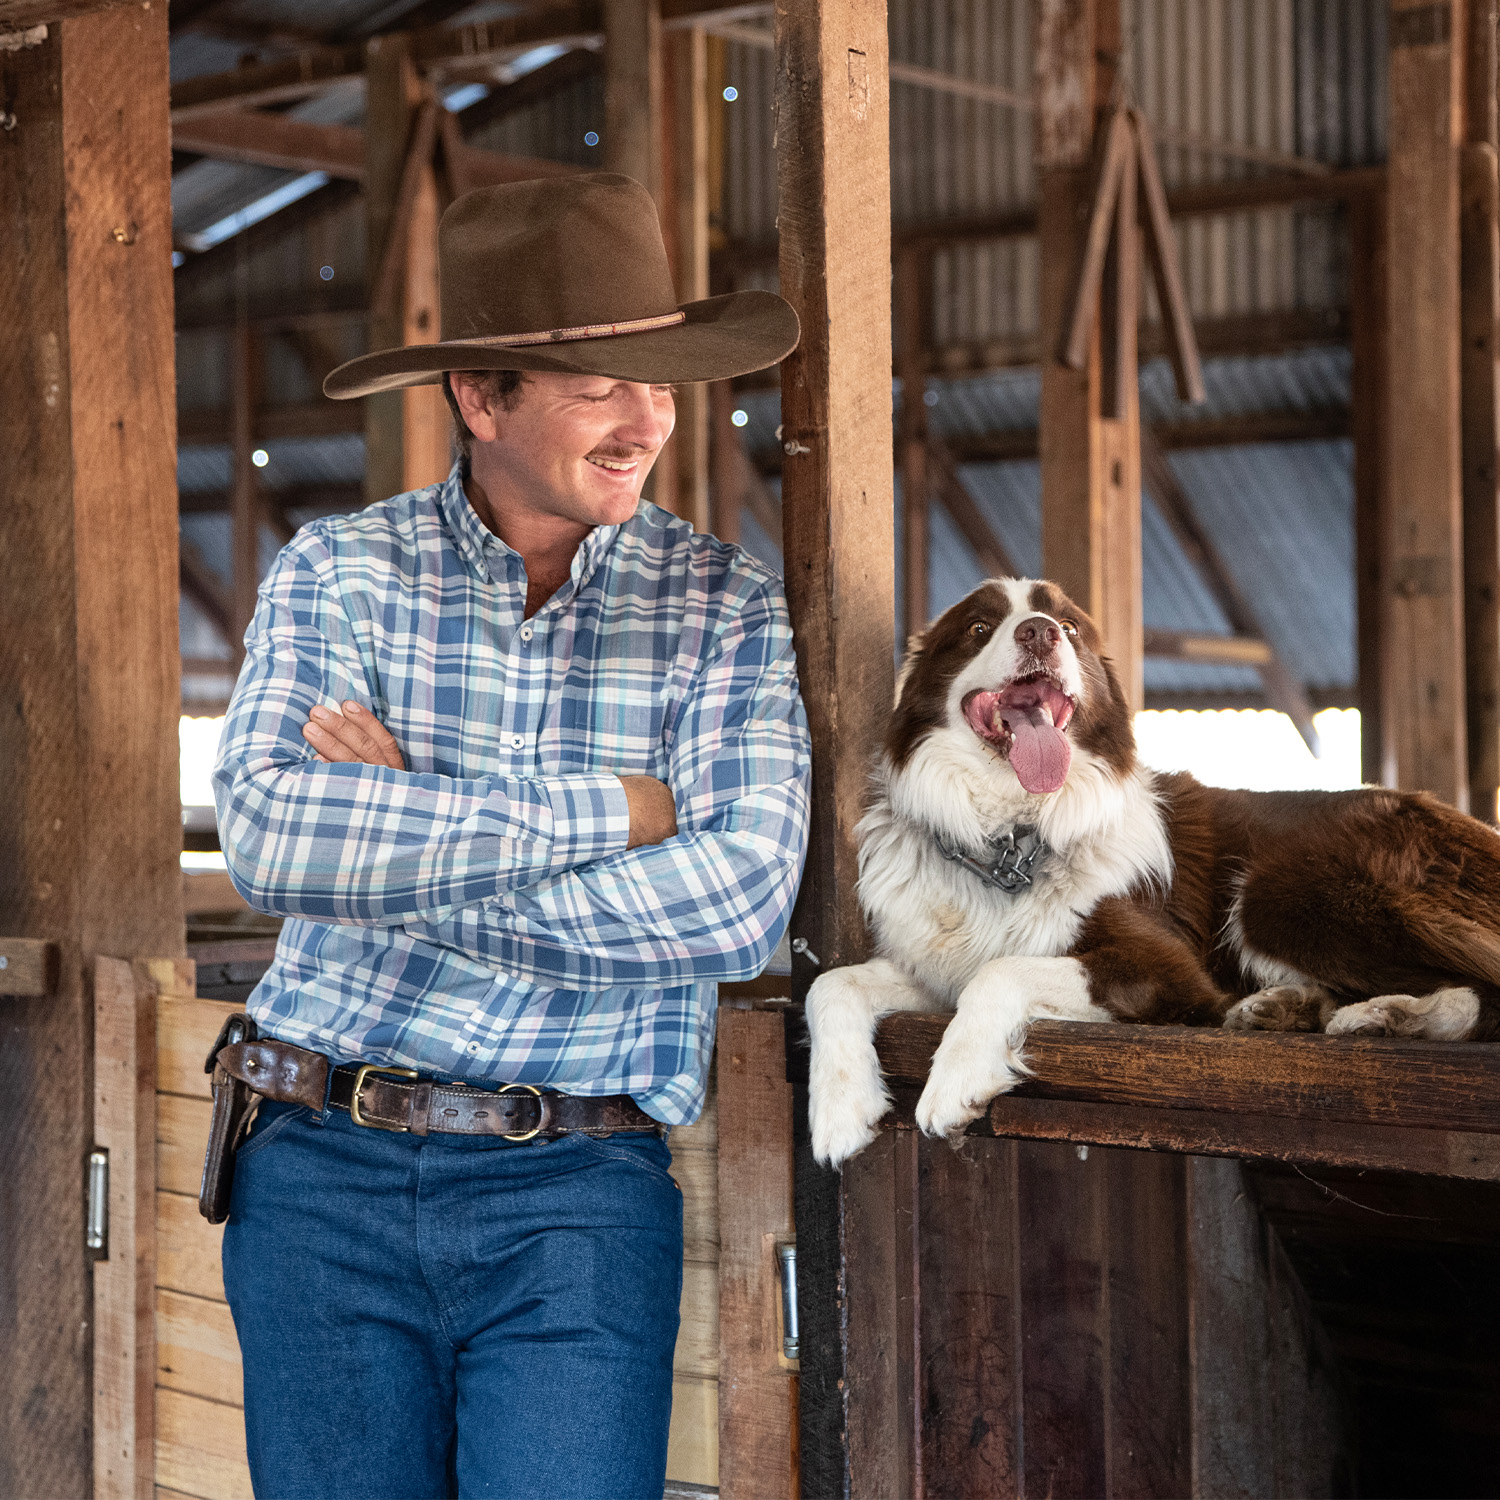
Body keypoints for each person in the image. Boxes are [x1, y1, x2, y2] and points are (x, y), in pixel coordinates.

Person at [210, 173, 811, 1500]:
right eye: (599, 386)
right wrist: (612, 812)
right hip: (316, 1171)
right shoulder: (339, 571)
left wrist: (403, 831)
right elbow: (265, 836)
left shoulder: (722, 606)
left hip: (575, 1195)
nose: (647, 419)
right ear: (480, 398)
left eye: (660, 381)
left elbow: (735, 907)